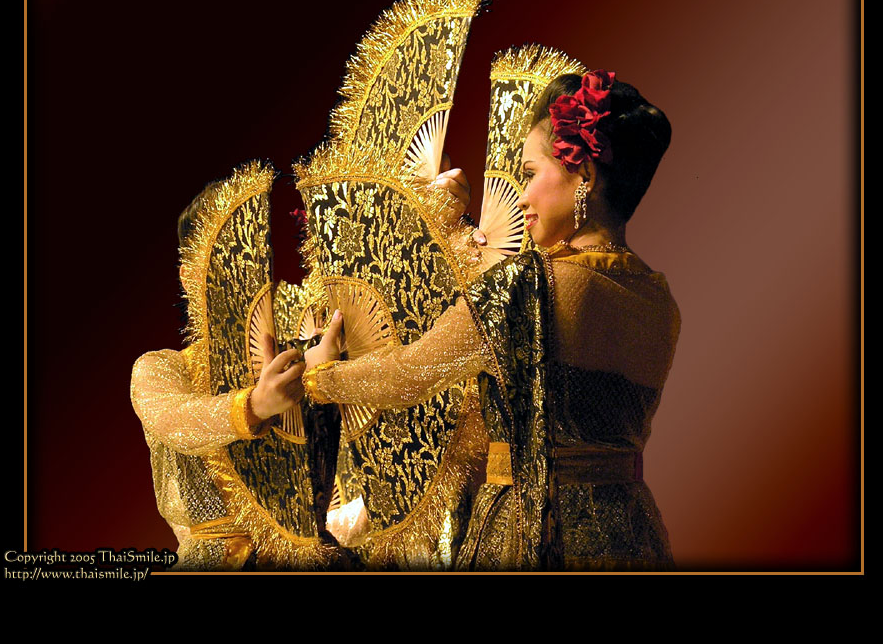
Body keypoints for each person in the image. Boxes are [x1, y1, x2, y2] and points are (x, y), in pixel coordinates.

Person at [301, 70, 680, 570]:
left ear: (585, 175)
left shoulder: (528, 287)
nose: (520, 197)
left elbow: (407, 374)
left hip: (533, 530)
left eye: (529, 172)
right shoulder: (658, 299)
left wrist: (321, 375)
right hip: (632, 534)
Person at [130, 177, 312, 570]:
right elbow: (176, 421)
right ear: (188, 276)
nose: (243, 275)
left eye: (253, 257)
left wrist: (326, 382)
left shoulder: (297, 365)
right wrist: (254, 405)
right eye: (224, 257)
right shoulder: (162, 368)